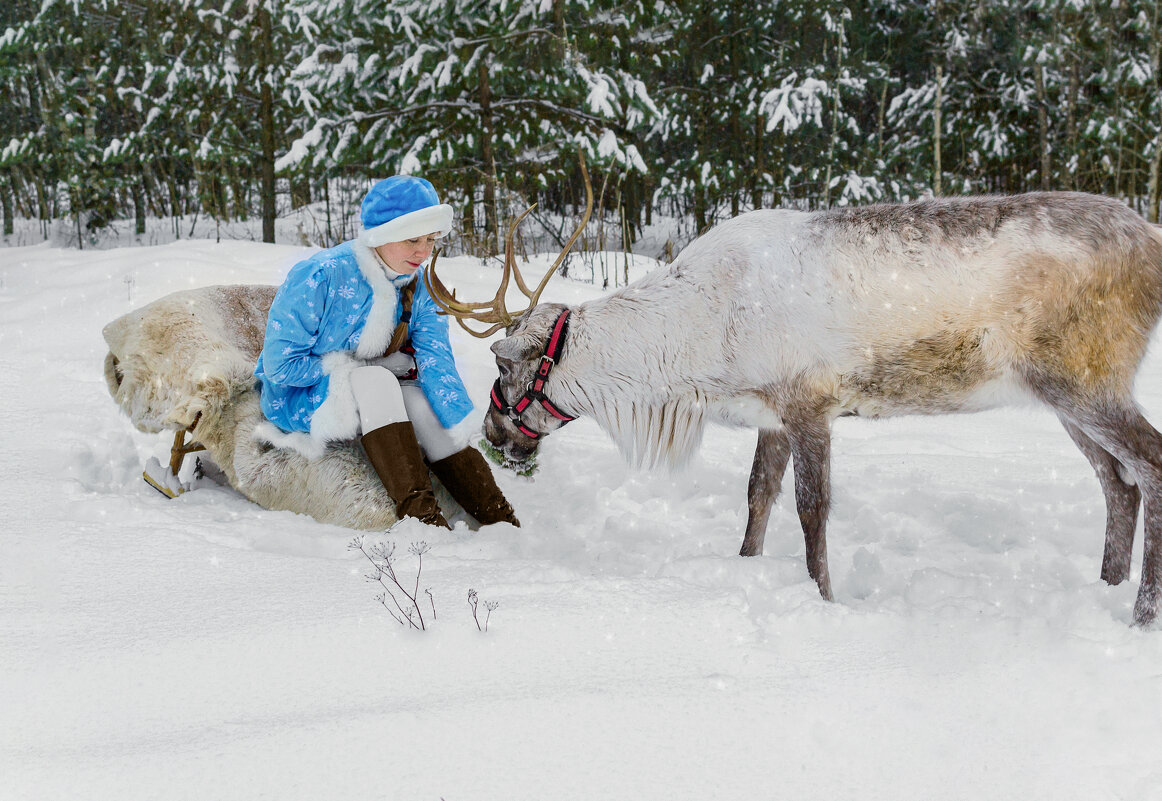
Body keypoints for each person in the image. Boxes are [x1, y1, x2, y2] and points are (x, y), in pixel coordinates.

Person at [254, 176, 519, 528]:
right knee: (378, 379)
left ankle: (498, 518)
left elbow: (436, 360)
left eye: (430, 240)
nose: (423, 252)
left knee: (424, 405)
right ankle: (421, 519)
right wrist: (362, 368)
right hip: (301, 395)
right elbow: (279, 367)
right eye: (412, 239)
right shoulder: (321, 275)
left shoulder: (420, 284)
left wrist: (463, 421)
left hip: (379, 391)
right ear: (381, 234)